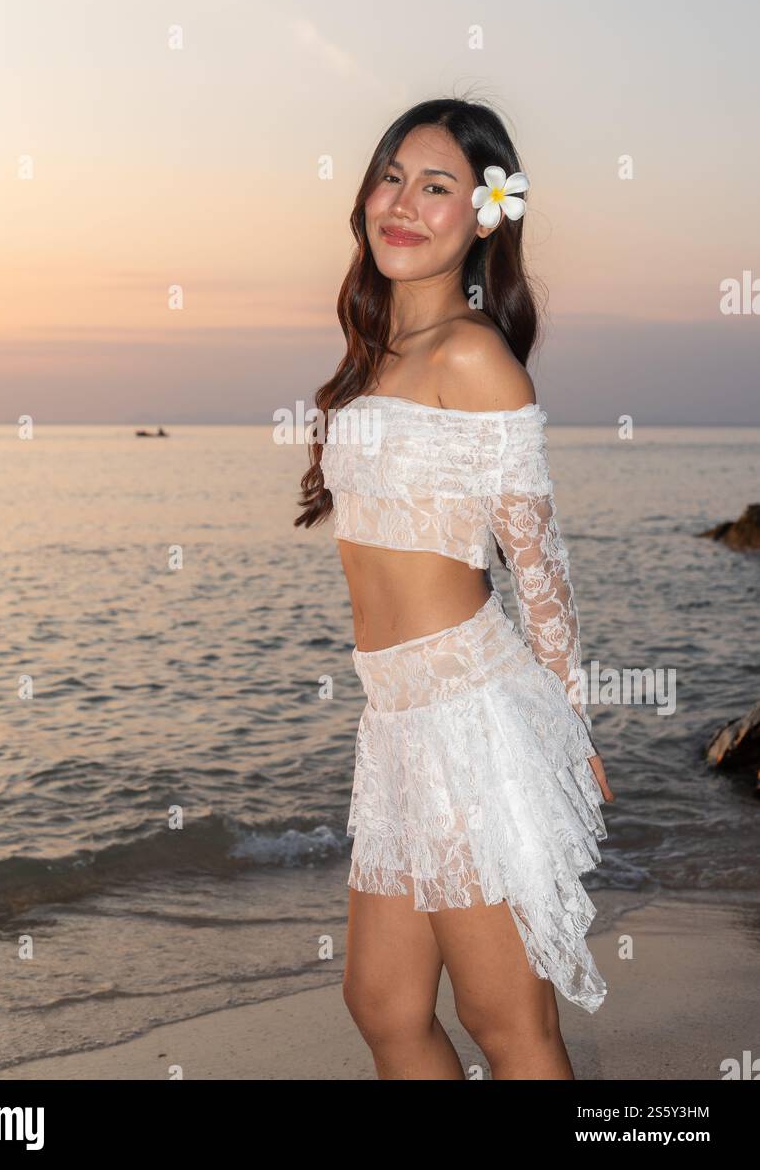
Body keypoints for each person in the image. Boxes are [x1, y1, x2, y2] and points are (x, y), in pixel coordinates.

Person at [295, 97, 615, 1080]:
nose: (403, 201)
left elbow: (537, 557)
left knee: (506, 1017)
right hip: (392, 720)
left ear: (485, 217)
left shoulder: (474, 355)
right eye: (392, 176)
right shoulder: (373, 357)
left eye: (438, 186)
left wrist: (571, 722)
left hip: (472, 717)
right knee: (385, 1006)